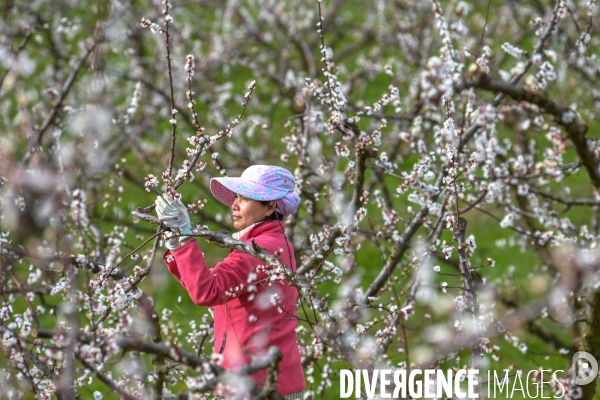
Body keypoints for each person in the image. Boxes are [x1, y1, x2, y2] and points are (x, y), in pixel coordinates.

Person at [154, 165, 306, 399]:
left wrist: (184, 239)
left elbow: (206, 292)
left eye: (245, 199)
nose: (234, 205)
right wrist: (176, 247)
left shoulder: (260, 248)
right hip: (266, 381)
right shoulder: (270, 243)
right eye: (236, 197)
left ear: (271, 206)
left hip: (256, 385)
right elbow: (212, 285)